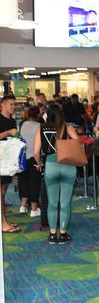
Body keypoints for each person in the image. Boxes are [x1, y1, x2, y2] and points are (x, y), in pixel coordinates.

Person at [33, 105, 80, 244]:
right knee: (65, 203)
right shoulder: (68, 127)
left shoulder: (40, 129)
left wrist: (40, 163)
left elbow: (36, 153)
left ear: (47, 115)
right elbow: (77, 144)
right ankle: (64, 234)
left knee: (52, 203)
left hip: (50, 166)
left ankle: (53, 234)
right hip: (68, 166)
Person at [18, 105, 42, 218]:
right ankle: (34, 208)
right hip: (34, 157)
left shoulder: (23, 125)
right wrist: (40, 162)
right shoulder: (39, 126)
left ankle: (23, 206)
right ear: (38, 115)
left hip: (23, 157)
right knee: (35, 183)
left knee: (25, 182)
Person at [0, 95, 19, 233]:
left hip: (7, 161)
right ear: (3, 104)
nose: (13, 107)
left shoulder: (12, 121)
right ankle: (3, 223)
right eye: (11, 104)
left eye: (14, 104)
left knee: (3, 191)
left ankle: (3, 221)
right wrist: (7, 132)